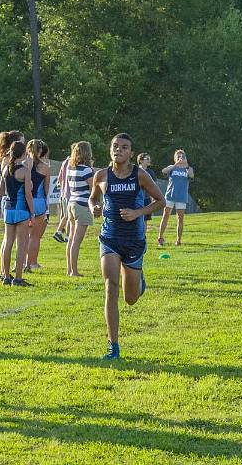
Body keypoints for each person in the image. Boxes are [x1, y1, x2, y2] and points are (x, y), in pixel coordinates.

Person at [90, 133, 165, 359]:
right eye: (115, 146)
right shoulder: (101, 175)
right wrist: (94, 207)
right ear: (110, 149)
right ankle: (113, 346)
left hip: (133, 241)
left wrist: (137, 213)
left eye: (124, 147)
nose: (118, 150)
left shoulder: (139, 175)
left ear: (131, 153)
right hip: (109, 238)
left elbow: (160, 201)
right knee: (110, 287)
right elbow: (92, 198)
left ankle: (139, 282)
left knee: (130, 299)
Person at [0, 139, 34, 286]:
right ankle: (18, 278)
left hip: (8, 208)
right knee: (21, 244)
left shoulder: (6, 169)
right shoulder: (25, 171)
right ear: (24, 154)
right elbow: (28, 193)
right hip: (21, 210)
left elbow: (1, 190)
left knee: (8, 242)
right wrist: (32, 212)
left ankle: (6, 276)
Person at [66, 141, 94, 277]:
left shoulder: (71, 168)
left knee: (71, 238)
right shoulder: (87, 170)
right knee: (77, 240)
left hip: (71, 203)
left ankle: (69, 269)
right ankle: (74, 271)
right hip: (82, 204)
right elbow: (93, 189)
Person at [157, 149, 194, 247]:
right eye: (178, 156)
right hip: (170, 196)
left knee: (180, 219)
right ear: (175, 158)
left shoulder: (188, 168)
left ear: (185, 158)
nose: (180, 158)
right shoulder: (172, 167)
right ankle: (160, 238)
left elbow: (191, 175)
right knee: (165, 216)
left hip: (181, 197)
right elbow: (164, 171)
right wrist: (176, 164)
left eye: (182, 156)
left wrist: (186, 165)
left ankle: (178, 240)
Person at [25, 139, 50, 271]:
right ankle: (32, 263)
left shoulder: (23, 165)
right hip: (39, 202)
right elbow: (46, 190)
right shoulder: (45, 167)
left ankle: (22, 262)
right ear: (40, 151)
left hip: (24, 201)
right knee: (35, 236)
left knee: (23, 236)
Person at [52, 148, 73, 243]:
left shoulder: (65, 162)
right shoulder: (72, 162)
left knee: (66, 215)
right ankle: (65, 235)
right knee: (69, 216)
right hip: (70, 193)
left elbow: (60, 178)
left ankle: (60, 232)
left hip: (63, 192)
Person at [137, 153, 158, 236]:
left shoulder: (150, 172)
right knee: (136, 219)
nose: (149, 160)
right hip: (136, 199)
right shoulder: (135, 171)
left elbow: (155, 186)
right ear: (141, 160)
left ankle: (143, 237)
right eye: (147, 158)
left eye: (149, 158)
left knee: (145, 220)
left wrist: (154, 198)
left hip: (146, 199)